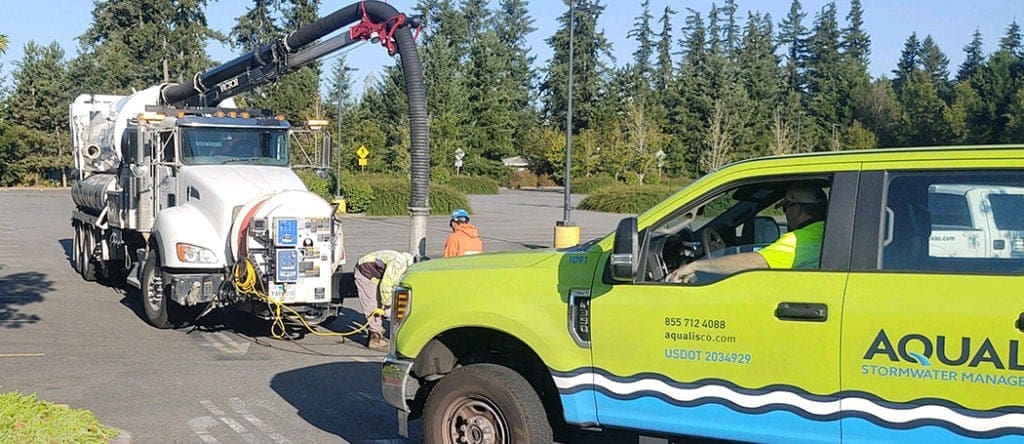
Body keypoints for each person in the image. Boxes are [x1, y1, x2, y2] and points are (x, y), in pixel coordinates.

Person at [666, 183, 828, 283]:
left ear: (798, 209)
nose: (785, 214)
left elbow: (756, 262)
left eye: (786, 208)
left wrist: (695, 265)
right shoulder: (825, 233)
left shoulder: (801, 239)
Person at [353, 250, 415, 349]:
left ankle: (376, 333)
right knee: (372, 305)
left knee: (379, 304)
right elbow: (386, 287)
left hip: (375, 272)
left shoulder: (404, 262)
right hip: (365, 273)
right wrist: (388, 305)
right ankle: (375, 338)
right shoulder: (399, 265)